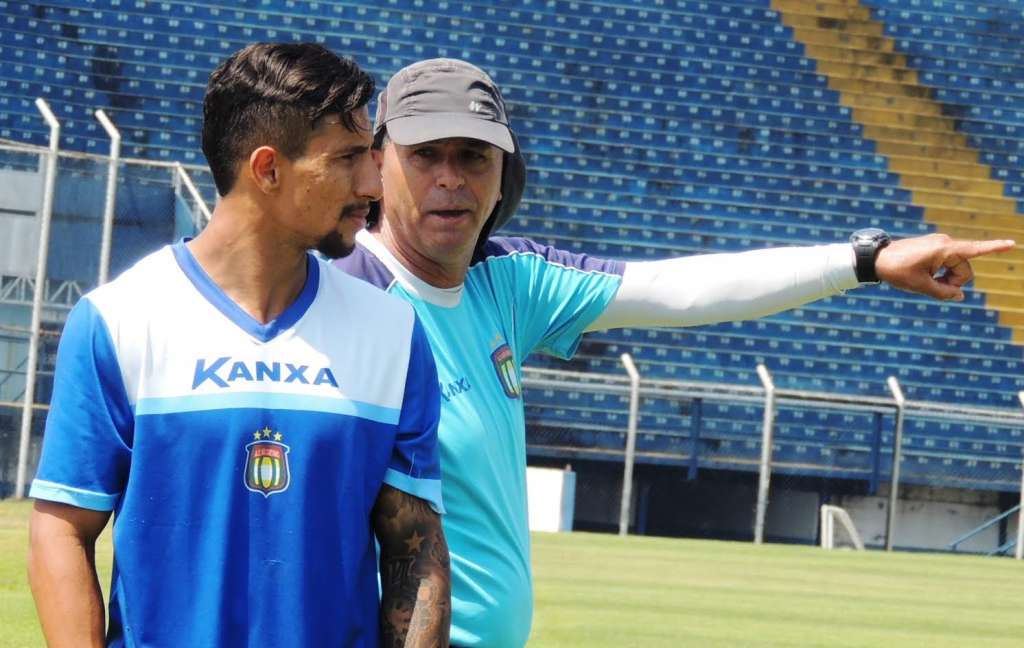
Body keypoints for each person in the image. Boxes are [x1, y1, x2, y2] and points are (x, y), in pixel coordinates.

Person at [333, 57, 1016, 647]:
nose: (451, 178)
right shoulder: (344, 296)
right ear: (376, 161)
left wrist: (867, 260)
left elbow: (684, 289)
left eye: (474, 155)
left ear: (504, 169)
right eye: (426, 155)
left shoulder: (508, 282)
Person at [27, 43, 450, 647]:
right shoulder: (117, 320)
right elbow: (62, 530)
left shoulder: (394, 334)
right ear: (268, 169)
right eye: (350, 158)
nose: (373, 183)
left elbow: (417, 552)